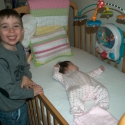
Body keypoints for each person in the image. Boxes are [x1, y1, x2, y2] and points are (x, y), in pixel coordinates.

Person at [0, 9, 43, 125]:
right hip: (10, 109)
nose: (11, 30)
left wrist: (25, 76)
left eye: (16, 26)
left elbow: (24, 65)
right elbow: (8, 90)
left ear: (22, 31)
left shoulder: (19, 46)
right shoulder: (1, 59)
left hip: (19, 102)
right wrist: (30, 93)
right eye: (5, 27)